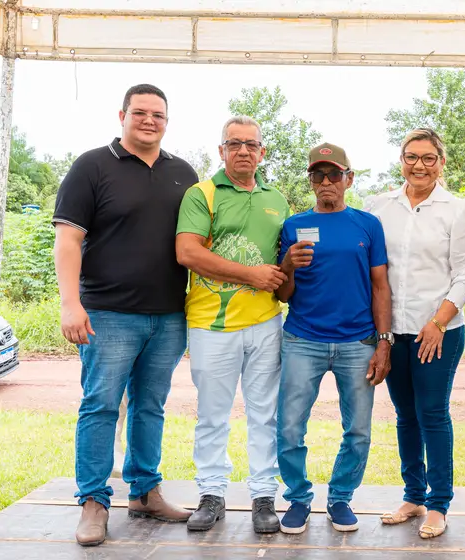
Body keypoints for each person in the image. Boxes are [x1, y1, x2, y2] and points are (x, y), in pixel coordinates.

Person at [53, 84, 198, 547]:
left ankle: (145, 492)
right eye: (140, 112)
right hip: (108, 313)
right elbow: (68, 240)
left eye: (158, 114)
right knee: (100, 405)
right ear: (122, 116)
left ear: (167, 121)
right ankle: (94, 502)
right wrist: (70, 303)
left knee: (150, 406)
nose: (149, 120)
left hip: (169, 316)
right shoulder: (92, 166)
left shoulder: (183, 173)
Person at [175, 116, 290, 533]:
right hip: (211, 324)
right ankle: (211, 494)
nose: (243, 150)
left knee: (265, 414)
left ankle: (264, 496)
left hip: (265, 322)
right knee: (212, 415)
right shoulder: (201, 194)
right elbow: (187, 253)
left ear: (262, 152)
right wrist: (251, 275)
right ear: (221, 150)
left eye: (251, 144)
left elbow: (283, 262)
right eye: (234, 143)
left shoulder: (277, 199)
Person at [366, 128, 465, 539]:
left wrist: (438, 322)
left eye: (428, 158)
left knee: (432, 413)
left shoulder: (460, 209)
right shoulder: (378, 207)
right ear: (401, 161)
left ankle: (438, 504)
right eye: (412, 157)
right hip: (392, 333)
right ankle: (413, 496)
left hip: (439, 332)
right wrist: (380, 334)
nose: (420, 165)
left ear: (441, 162)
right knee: (405, 415)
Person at [275, 143, 392, 535]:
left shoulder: (368, 225)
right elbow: (283, 294)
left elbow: (380, 286)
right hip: (302, 340)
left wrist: (384, 342)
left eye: (334, 174)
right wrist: (287, 265)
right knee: (290, 427)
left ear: (349, 179)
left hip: (358, 343)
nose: (326, 182)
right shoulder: (293, 225)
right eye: (318, 175)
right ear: (310, 181)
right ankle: (298, 498)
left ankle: (341, 497)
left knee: (358, 430)